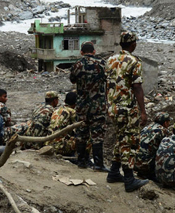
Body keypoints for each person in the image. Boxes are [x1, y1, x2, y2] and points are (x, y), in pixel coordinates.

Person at [105, 31, 149, 192]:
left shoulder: (109, 60)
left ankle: (114, 172)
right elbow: (137, 86)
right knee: (130, 141)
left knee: (120, 138)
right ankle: (129, 179)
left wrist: (108, 104)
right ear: (133, 44)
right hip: (127, 109)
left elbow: (108, 85)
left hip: (113, 107)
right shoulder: (134, 61)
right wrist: (143, 111)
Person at [69, 41, 108, 171]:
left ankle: (81, 162)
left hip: (82, 105)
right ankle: (98, 164)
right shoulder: (102, 64)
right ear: (94, 51)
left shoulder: (77, 65)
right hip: (98, 106)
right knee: (97, 135)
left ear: (81, 52)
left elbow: (73, 80)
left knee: (81, 134)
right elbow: (106, 80)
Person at [135, 112, 171, 180]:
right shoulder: (163, 131)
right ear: (165, 123)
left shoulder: (147, 127)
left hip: (134, 163)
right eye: (168, 122)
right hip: (145, 166)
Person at [46, 91, 78, 156]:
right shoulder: (72, 112)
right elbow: (79, 130)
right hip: (59, 147)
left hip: (48, 144)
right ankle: (84, 159)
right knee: (86, 137)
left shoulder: (57, 110)